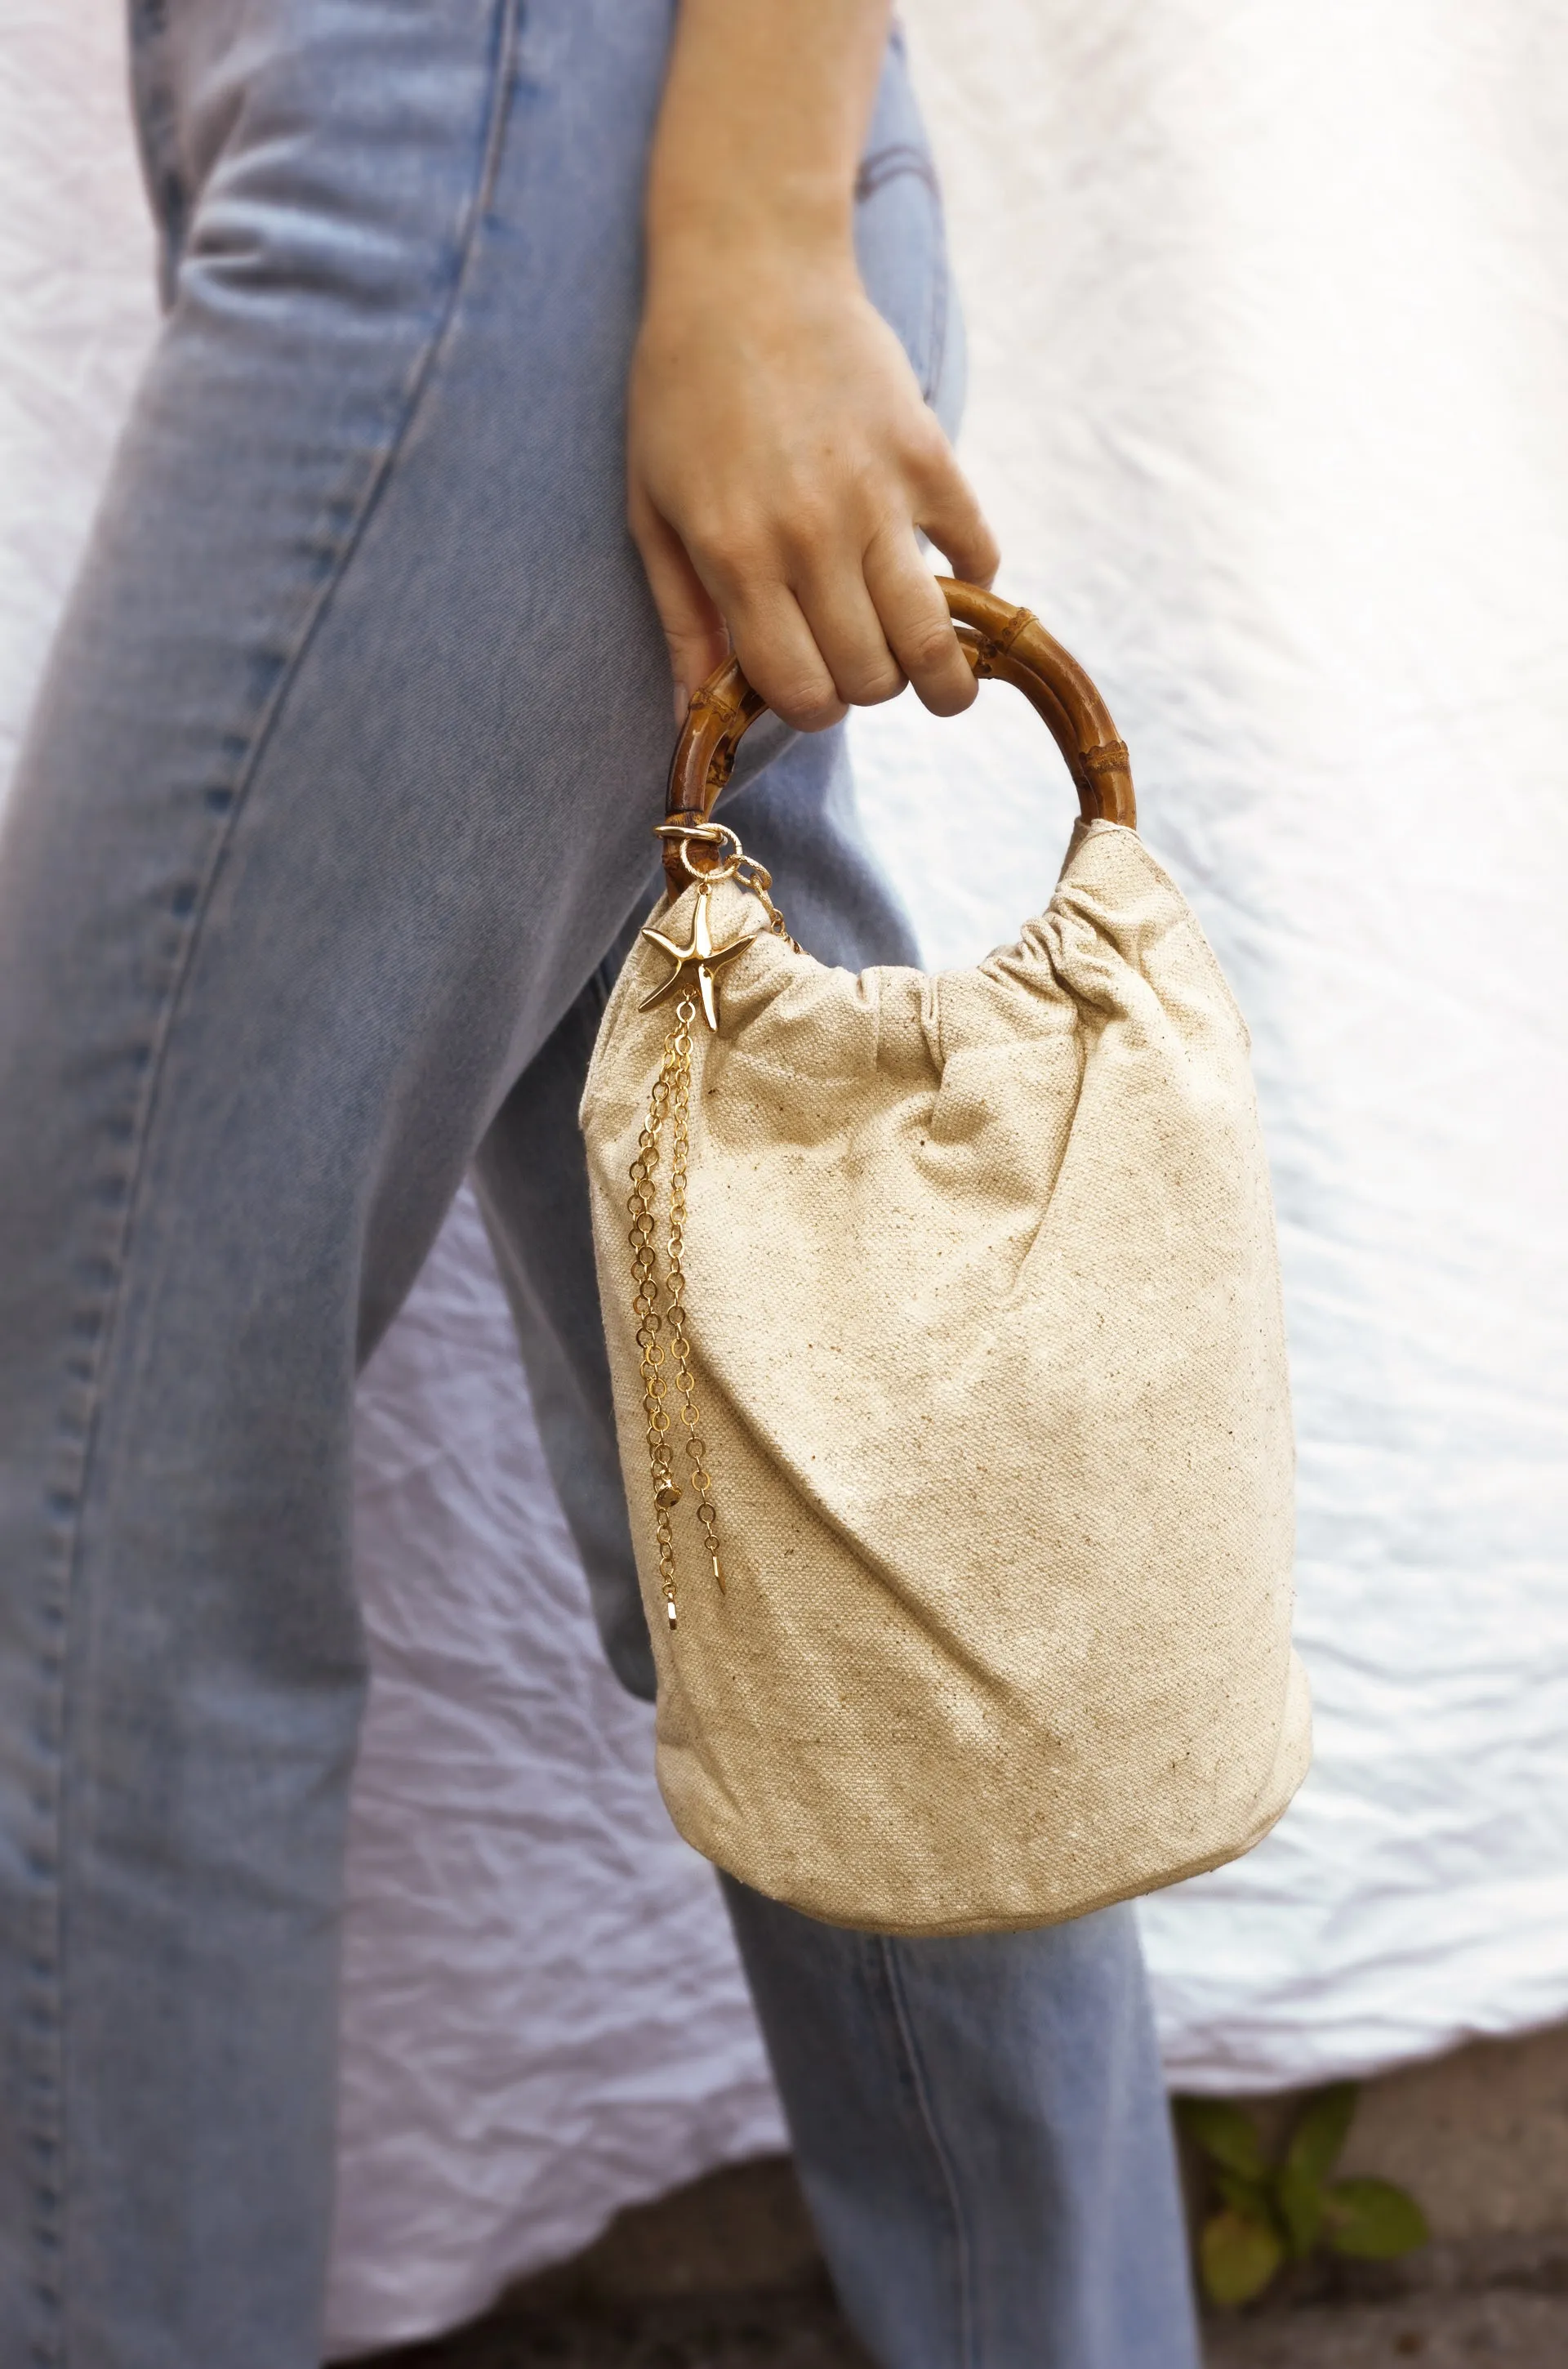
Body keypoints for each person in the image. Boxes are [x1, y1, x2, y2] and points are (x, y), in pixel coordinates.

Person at [0, 3, 1200, 2363]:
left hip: (523, 192)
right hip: (575, 192)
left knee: (92, 1551)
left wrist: (745, 230)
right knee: (817, 1538)